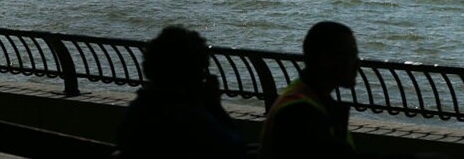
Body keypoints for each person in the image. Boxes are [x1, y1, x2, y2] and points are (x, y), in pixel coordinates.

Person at [259, 21, 441, 159]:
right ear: (324, 59)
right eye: (349, 55)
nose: (357, 62)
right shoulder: (300, 113)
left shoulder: (300, 98)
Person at [115, 25, 248, 159]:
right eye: (201, 71)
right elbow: (236, 149)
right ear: (192, 73)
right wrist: (214, 106)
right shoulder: (189, 118)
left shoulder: (136, 112)